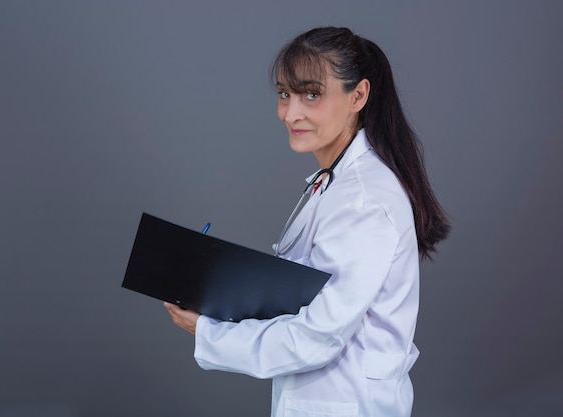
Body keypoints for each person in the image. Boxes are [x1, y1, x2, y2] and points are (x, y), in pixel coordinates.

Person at [165, 26, 450, 417]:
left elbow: (317, 337)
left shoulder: (365, 201)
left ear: (359, 96)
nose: (290, 113)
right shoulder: (334, 182)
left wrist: (209, 332)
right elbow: (302, 292)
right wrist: (219, 293)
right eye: (285, 94)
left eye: (311, 95)